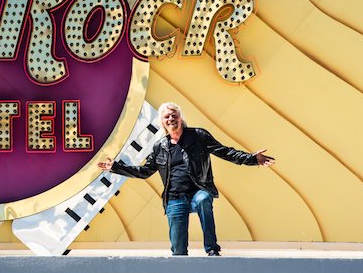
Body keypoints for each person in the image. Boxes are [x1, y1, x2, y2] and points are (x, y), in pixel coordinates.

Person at [97, 102, 275, 256]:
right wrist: (116, 167)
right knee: (178, 250)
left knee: (204, 200)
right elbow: (145, 171)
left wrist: (252, 158)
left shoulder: (199, 136)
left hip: (199, 190)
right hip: (174, 198)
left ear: (180, 118)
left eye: (174, 115)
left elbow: (225, 152)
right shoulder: (160, 147)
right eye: (167, 117)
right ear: (162, 122)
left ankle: (212, 249)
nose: (171, 119)